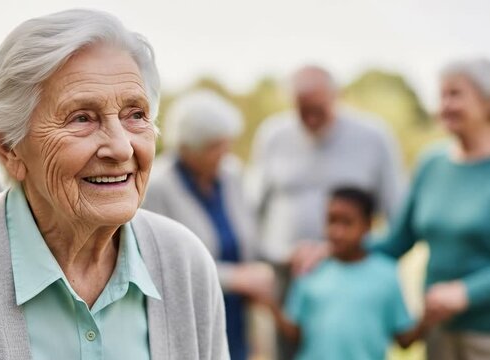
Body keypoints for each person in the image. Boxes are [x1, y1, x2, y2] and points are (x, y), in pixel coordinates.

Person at [0, 10, 229, 359]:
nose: (121, 147)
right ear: (9, 147)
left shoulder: (185, 262)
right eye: (82, 118)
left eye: (135, 114)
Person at [248, 65, 406, 359]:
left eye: (318, 108)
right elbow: (252, 208)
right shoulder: (273, 135)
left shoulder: (373, 137)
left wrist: (339, 250)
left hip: (349, 272)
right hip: (285, 270)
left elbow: (397, 214)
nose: (309, 117)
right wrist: (265, 257)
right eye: (301, 108)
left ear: (338, 97)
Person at [367, 58, 490, 360]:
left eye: (456, 94)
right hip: (437, 330)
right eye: (442, 96)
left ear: (487, 102)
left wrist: (466, 293)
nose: (445, 105)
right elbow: (397, 241)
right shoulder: (431, 164)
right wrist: (336, 248)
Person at [143, 90, 275, 360]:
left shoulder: (232, 174)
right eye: (214, 147)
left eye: (226, 144)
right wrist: (235, 278)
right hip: (189, 316)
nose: (223, 153)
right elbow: (160, 262)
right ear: (186, 149)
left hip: (237, 316)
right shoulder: (157, 187)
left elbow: (248, 237)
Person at [269, 187, 429, 360]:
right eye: (331, 220)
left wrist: (429, 318)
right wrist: (269, 302)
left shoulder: (386, 275)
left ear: (368, 225)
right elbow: (295, 332)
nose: (337, 231)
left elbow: (403, 339)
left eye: (347, 222)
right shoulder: (310, 269)